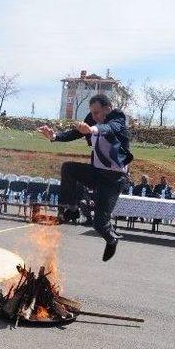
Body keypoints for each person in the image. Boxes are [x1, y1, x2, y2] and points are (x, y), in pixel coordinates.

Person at [37, 93, 133, 262]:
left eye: (97, 113)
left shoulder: (117, 118)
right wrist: (54, 137)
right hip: (96, 172)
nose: (93, 117)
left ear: (107, 109)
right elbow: (75, 133)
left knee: (99, 224)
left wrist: (92, 129)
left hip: (113, 179)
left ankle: (112, 239)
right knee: (68, 168)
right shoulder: (91, 118)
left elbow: (109, 128)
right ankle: (70, 208)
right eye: (92, 113)